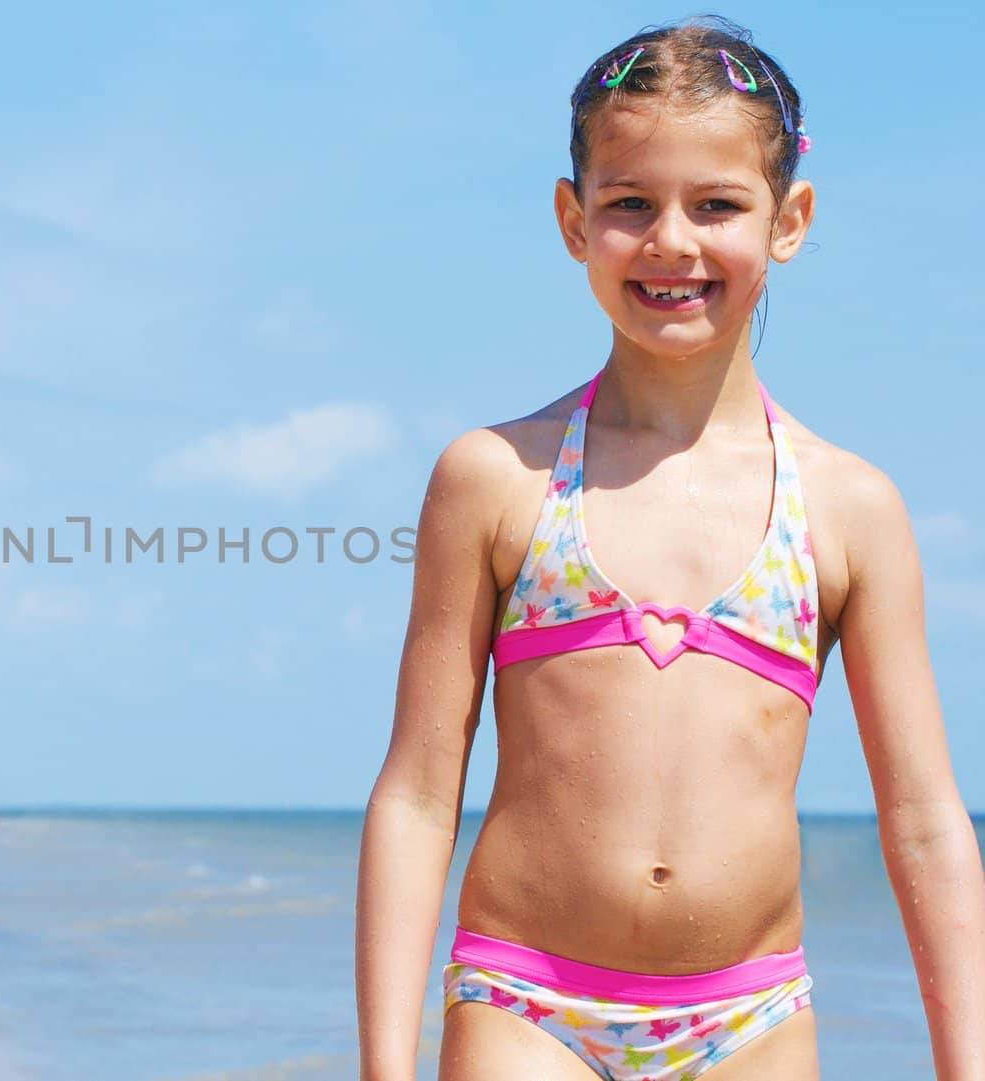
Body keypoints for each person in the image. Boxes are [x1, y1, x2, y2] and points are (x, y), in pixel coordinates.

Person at [354, 17, 985, 1081]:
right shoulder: (495, 480)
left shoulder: (846, 507)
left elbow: (922, 818)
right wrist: (382, 1066)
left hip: (750, 1019)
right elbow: (418, 790)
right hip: (526, 1002)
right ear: (572, 217)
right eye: (629, 203)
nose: (673, 242)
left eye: (719, 204)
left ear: (789, 221)